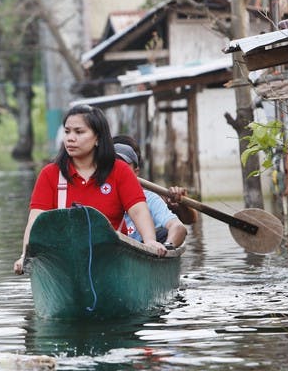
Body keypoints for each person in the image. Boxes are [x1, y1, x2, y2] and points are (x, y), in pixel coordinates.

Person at [13, 105, 166, 275]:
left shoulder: (119, 170)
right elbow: (36, 220)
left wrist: (150, 241)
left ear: (98, 138)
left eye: (79, 132)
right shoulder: (50, 174)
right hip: (63, 261)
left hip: (113, 259)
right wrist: (25, 255)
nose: (70, 138)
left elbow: (138, 211)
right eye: (67, 131)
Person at [112, 137, 188, 249]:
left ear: (136, 172)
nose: (118, 171)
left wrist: (165, 248)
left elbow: (178, 227)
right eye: (113, 166)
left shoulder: (150, 198)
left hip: (143, 249)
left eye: (123, 167)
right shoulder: (98, 194)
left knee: (163, 233)